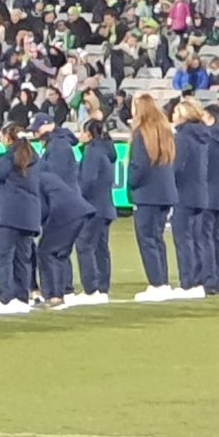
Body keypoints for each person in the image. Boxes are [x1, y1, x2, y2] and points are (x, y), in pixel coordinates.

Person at [127, 93, 178, 302]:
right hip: (165, 193)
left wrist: (131, 183)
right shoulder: (165, 132)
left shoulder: (141, 134)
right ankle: (162, 281)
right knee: (157, 239)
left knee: (146, 239)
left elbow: (138, 166)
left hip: (147, 194)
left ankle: (156, 283)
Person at [0, 123, 40, 315]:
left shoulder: (7, 158)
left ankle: (5, 297)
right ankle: (21, 296)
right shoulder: (35, 158)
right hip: (30, 214)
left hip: (9, 213)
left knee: (3, 256)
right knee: (23, 258)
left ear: (8, 138)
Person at [36, 159, 95, 308]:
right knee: (59, 254)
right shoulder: (46, 174)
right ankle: (58, 294)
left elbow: (43, 207)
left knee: (46, 252)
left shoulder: (35, 178)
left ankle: (55, 296)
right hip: (80, 212)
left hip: (64, 215)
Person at [170, 97, 209, 300]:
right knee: (197, 238)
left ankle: (188, 282)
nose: (173, 117)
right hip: (200, 193)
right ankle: (199, 279)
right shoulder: (203, 136)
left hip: (184, 194)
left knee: (183, 239)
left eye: (176, 113)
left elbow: (177, 167)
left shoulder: (183, 138)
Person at [75, 118, 116, 304]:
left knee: (84, 245)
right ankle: (102, 287)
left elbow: (87, 180)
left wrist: (77, 198)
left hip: (93, 207)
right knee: (101, 248)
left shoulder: (92, 152)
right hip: (106, 206)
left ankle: (91, 289)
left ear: (89, 134)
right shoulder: (106, 151)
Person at [199, 103, 219, 295]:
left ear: (210, 118)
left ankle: (209, 280)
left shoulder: (208, 141)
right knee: (218, 239)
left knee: (206, 239)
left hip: (208, 194)